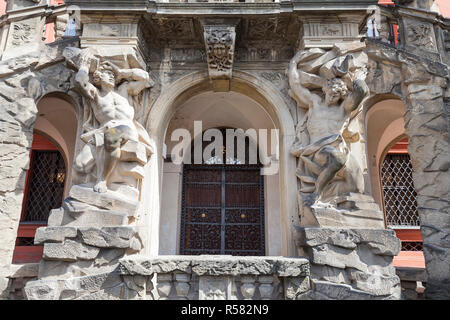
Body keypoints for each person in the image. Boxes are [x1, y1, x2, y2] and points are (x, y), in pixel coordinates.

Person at [289, 50, 369, 200]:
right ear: (325, 89)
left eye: (337, 95)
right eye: (331, 92)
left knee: (357, 186)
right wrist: (293, 63)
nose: (333, 96)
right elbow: (296, 86)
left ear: (342, 96)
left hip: (338, 148)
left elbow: (362, 91)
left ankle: (332, 201)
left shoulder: (343, 109)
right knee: (337, 159)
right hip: (318, 150)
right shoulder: (314, 103)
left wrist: (357, 78)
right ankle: (316, 194)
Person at [74, 52, 152, 193]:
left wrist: (121, 72)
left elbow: (144, 78)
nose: (110, 76)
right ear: (97, 78)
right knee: (80, 165)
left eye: (112, 75)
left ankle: (103, 179)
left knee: (111, 136)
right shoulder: (95, 94)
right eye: (106, 74)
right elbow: (80, 82)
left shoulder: (124, 90)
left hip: (125, 128)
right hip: (102, 131)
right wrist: (84, 66)